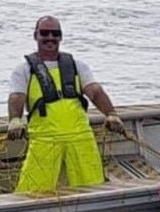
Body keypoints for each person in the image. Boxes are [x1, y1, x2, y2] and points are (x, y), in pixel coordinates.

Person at [7, 15, 124, 193]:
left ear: (61, 37)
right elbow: (17, 97)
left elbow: (95, 91)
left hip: (80, 138)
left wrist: (112, 114)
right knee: (32, 193)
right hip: (45, 140)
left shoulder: (77, 66)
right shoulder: (23, 70)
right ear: (35, 35)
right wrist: (15, 119)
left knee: (93, 188)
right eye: (45, 33)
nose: (50, 38)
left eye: (55, 33)